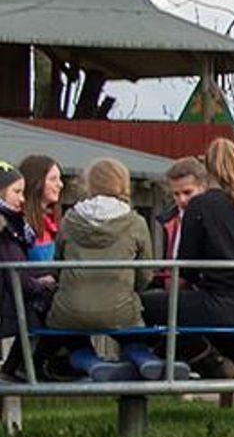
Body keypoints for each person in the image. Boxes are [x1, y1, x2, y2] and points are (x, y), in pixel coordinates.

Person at [141, 138, 234, 376]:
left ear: (207, 171)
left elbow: (187, 269)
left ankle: (208, 361)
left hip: (227, 305)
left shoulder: (201, 206)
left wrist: (170, 288)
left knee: (144, 305)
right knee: (200, 312)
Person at [45, 157, 156, 381]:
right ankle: (145, 358)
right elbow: (146, 275)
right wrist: (132, 290)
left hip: (69, 309)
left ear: (89, 184)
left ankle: (91, 361)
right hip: (120, 309)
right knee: (132, 322)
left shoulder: (69, 220)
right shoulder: (136, 223)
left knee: (67, 325)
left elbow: (58, 263)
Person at [0, 164, 52, 376]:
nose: (22, 199)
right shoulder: (5, 229)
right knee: (57, 308)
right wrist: (42, 284)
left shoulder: (13, 226)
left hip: (11, 297)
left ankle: (16, 368)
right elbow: (15, 277)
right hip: (7, 302)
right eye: (17, 192)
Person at [16, 153, 62, 261]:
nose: (60, 184)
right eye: (53, 179)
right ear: (36, 182)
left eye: (59, 179)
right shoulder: (18, 222)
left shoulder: (52, 221)